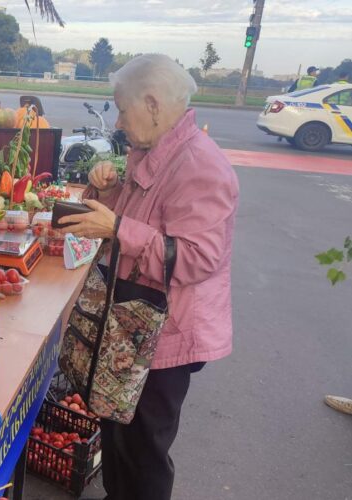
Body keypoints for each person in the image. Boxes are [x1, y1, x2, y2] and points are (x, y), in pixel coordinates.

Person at [59, 54, 239, 500]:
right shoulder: (152, 149)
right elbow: (142, 216)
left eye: (122, 109)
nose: (117, 121)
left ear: (154, 104)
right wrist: (106, 192)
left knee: (145, 448)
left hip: (167, 334)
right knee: (118, 432)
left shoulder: (200, 164)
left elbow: (197, 257)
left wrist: (118, 228)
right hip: (134, 324)